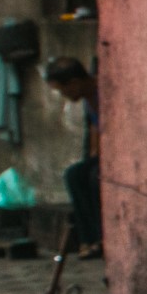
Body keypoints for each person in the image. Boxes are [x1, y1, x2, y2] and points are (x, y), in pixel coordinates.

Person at [44, 57, 101, 258]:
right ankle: (89, 240)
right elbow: (95, 128)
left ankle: (101, 238)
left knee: (95, 178)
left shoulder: (102, 92)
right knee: (74, 175)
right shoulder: (88, 100)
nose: (64, 96)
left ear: (75, 83)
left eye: (63, 91)